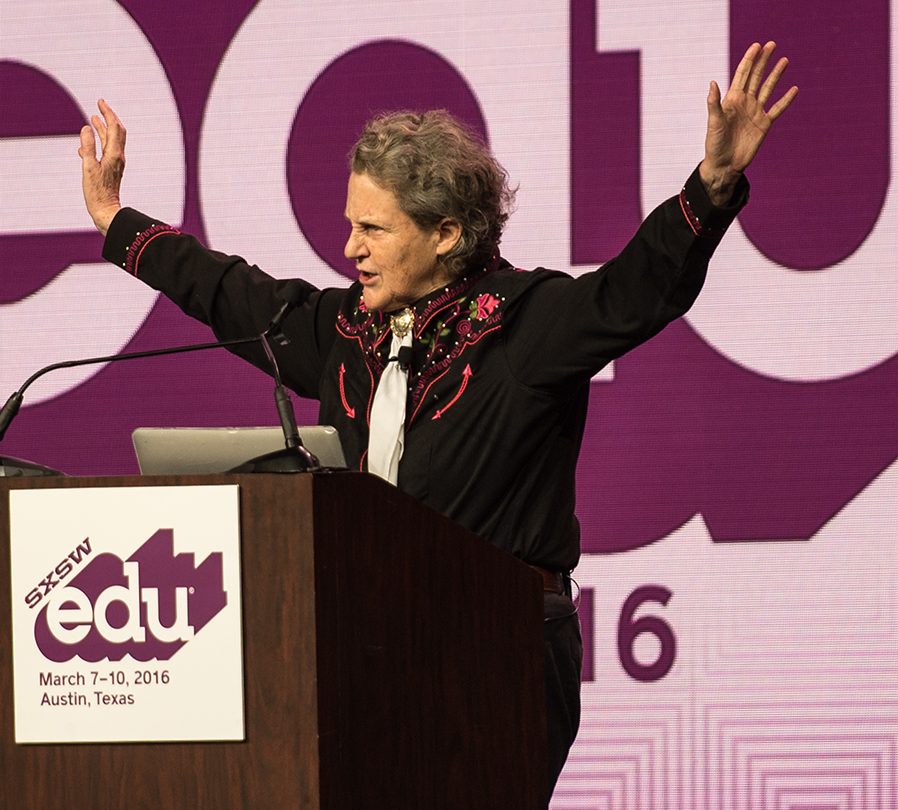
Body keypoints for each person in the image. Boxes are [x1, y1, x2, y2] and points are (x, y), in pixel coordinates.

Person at [79, 42, 796, 802]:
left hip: (499, 652)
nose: (350, 248)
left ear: (447, 234)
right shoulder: (343, 331)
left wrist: (713, 185)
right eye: (352, 225)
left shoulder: (526, 325)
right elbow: (229, 292)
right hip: (369, 646)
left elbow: (635, 291)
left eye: (374, 230)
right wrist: (117, 223)